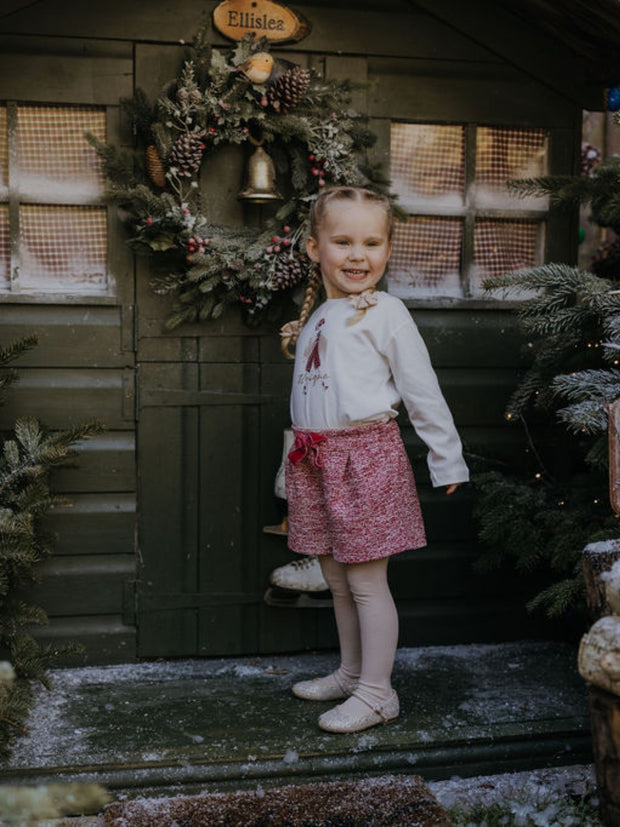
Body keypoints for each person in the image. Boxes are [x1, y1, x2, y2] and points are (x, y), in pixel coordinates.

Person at [279, 186, 469, 734]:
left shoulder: (387, 311)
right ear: (315, 249)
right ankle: (352, 672)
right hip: (316, 459)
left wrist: (447, 459)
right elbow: (310, 399)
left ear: (387, 248)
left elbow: (421, 389)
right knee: (336, 579)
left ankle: (378, 693)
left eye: (371, 241)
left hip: (365, 460)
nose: (358, 255)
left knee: (365, 581)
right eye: (342, 241)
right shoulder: (319, 314)